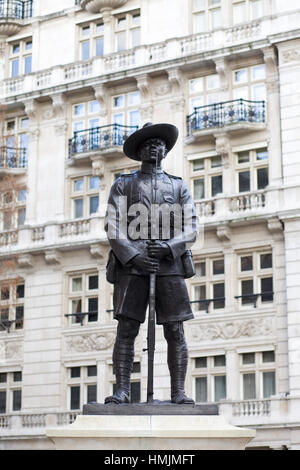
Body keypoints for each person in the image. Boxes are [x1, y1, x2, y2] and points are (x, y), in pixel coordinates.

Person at [105, 123, 198, 405]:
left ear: (166, 150)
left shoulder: (179, 186)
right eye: (147, 144)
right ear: (139, 151)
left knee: (175, 330)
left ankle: (178, 392)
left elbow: (191, 226)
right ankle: (122, 390)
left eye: (159, 143)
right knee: (127, 330)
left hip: (169, 266)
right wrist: (134, 254)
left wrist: (169, 247)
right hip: (132, 266)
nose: (154, 148)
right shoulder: (123, 184)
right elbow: (113, 225)